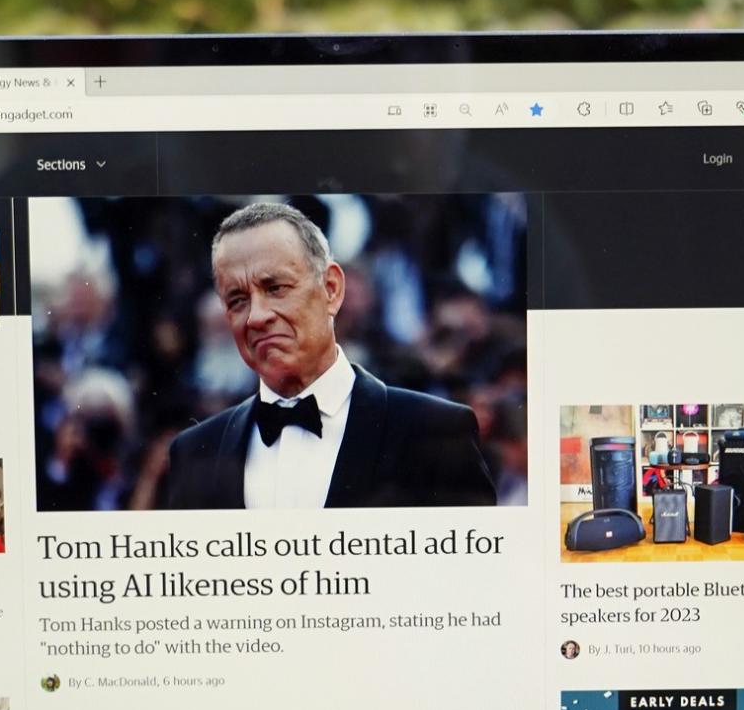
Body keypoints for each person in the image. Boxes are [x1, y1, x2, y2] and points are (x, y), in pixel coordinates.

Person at [158, 203, 496, 511]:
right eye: (237, 300)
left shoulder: (435, 433)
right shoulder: (193, 453)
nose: (256, 317)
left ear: (331, 289)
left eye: (276, 288)